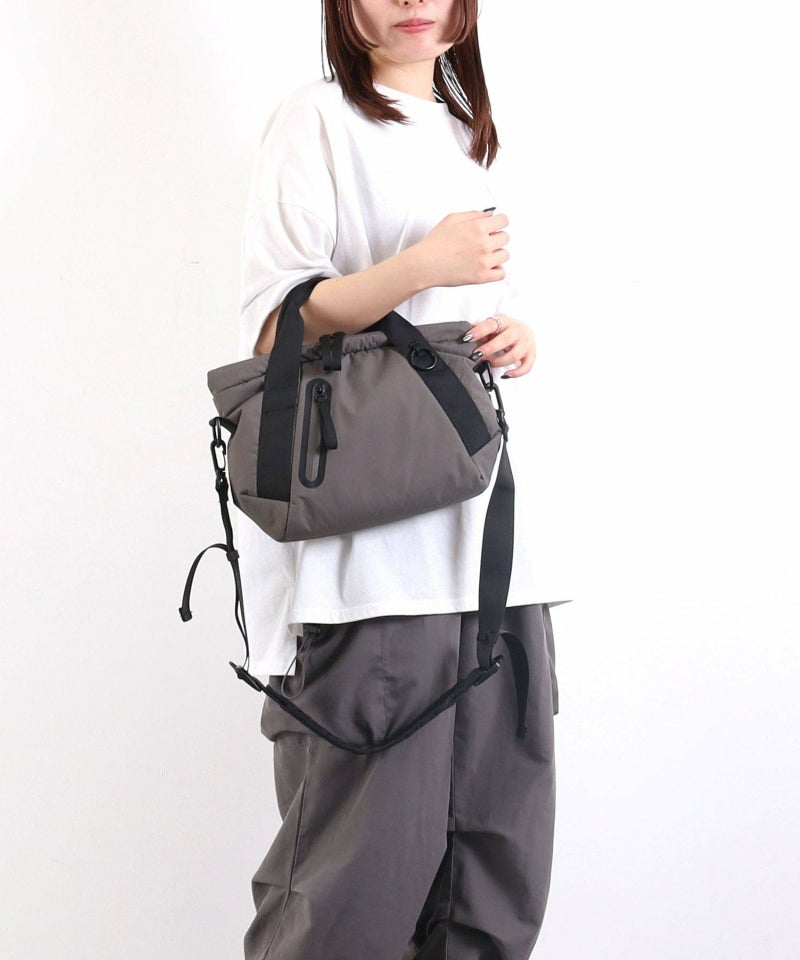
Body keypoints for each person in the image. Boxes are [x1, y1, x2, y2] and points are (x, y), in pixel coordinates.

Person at [236, 2, 572, 958]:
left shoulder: (474, 137)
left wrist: (518, 334)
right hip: (372, 569)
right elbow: (275, 326)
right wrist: (422, 265)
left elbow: (485, 307)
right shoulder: (317, 119)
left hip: (497, 561)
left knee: (494, 878)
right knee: (351, 891)